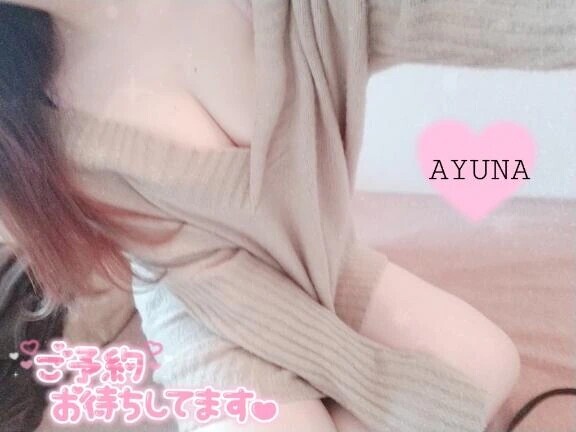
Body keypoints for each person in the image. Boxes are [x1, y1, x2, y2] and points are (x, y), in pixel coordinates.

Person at [0, 1, 574, 431]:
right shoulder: (30, 112)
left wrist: (363, 378)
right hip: (202, 305)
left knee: (489, 365)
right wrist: (358, 374)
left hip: (313, 256)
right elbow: (196, 273)